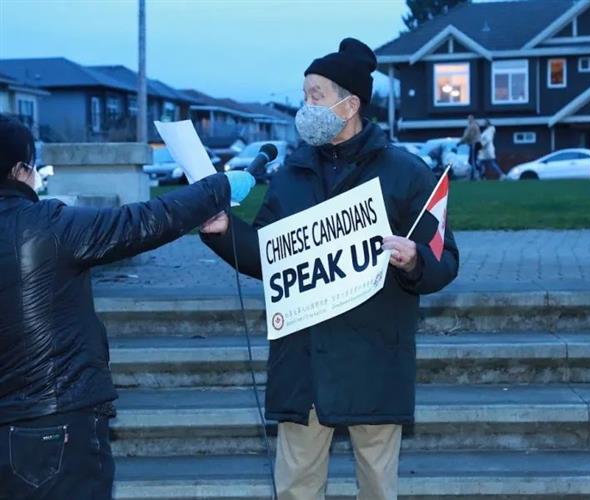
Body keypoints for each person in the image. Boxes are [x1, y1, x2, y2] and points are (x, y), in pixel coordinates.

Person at [202, 38, 459, 500]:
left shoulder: (406, 173)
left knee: (377, 488)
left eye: (316, 95)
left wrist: (415, 259)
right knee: (296, 488)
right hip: (304, 365)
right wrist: (224, 233)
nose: (306, 106)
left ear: (350, 104)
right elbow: (267, 257)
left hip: (374, 361)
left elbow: (445, 260)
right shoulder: (290, 175)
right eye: (304, 95)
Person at [0, 114, 254, 499]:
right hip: (54, 421)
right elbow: (143, 221)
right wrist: (218, 187)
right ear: (21, 170)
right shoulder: (44, 224)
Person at [458, 114, 481, 180]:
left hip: (474, 144)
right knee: (471, 160)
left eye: (469, 119)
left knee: (472, 161)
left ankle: (476, 175)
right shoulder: (474, 125)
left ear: (472, 119)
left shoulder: (472, 126)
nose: (468, 120)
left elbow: (468, 136)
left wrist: (460, 142)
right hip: (475, 144)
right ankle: (473, 174)